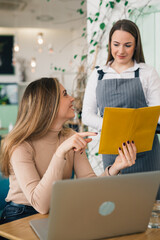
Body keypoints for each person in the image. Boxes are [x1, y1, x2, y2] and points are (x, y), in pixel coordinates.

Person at [0, 77, 136, 224]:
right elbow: (41, 205)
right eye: (65, 94)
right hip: (21, 215)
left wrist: (114, 168)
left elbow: (89, 185)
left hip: (57, 211)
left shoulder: (69, 137)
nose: (72, 98)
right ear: (49, 105)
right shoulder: (21, 146)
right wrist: (60, 153)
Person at [82, 19, 160, 199]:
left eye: (128, 45)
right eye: (116, 44)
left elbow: (157, 114)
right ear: (109, 44)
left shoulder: (147, 72)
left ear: (136, 46)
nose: (121, 51)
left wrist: (135, 123)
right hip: (113, 152)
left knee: (149, 204)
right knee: (116, 202)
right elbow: (87, 115)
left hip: (146, 152)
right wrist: (115, 125)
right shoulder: (98, 74)